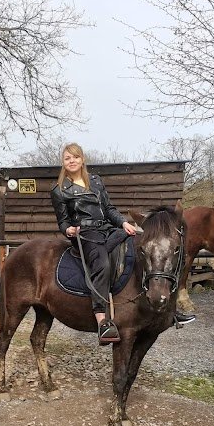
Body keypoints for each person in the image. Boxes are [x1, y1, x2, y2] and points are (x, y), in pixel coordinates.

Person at [50, 143, 195, 345]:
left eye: (75, 157)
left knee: (143, 250)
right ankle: (102, 319)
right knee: (103, 264)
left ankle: (166, 308)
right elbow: (63, 221)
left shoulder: (95, 181)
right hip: (85, 235)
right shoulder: (59, 190)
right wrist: (68, 230)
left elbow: (108, 209)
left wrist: (124, 223)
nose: (72, 161)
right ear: (63, 162)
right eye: (67, 158)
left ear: (82, 159)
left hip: (108, 229)